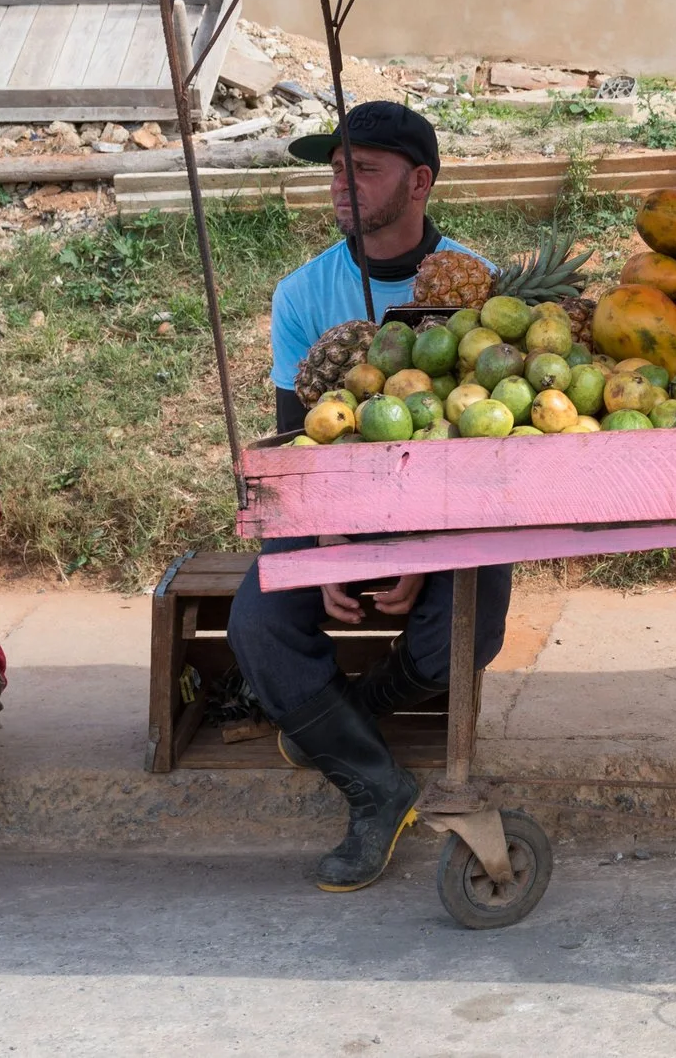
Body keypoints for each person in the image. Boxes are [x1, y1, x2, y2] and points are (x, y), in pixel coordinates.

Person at [232, 100, 510, 892]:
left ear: (419, 181)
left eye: (364, 168)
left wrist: (418, 552)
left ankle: (355, 709)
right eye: (335, 169)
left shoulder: (475, 284)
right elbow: (296, 443)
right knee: (257, 621)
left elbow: (481, 449)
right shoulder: (302, 292)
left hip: (447, 512)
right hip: (333, 508)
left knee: (468, 627)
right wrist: (324, 547)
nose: (342, 184)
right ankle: (373, 783)